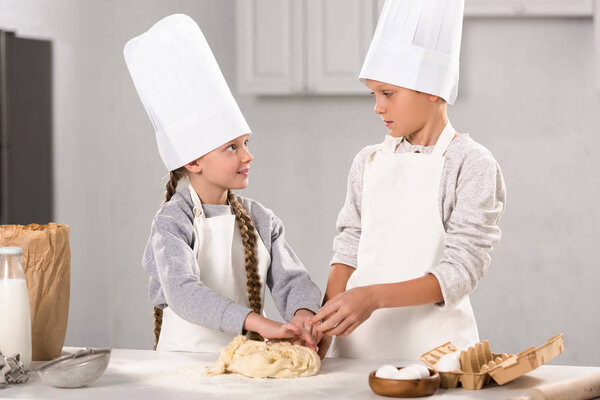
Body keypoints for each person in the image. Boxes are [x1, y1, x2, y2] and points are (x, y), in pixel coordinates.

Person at [313, 0, 506, 360]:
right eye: (374, 94)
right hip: (356, 352)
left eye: (388, 93)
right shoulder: (368, 162)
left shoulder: (471, 164)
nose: (377, 107)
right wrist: (323, 326)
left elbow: (461, 271)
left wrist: (372, 297)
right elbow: (348, 246)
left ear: (433, 89)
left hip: (437, 357)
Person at [124, 14, 322, 352]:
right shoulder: (172, 221)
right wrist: (259, 322)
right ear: (194, 161)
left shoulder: (262, 220)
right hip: (178, 368)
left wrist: (304, 315)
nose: (247, 156)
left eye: (247, 143)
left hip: (243, 365)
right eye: (232, 147)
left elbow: (293, 280)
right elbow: (183, 292)